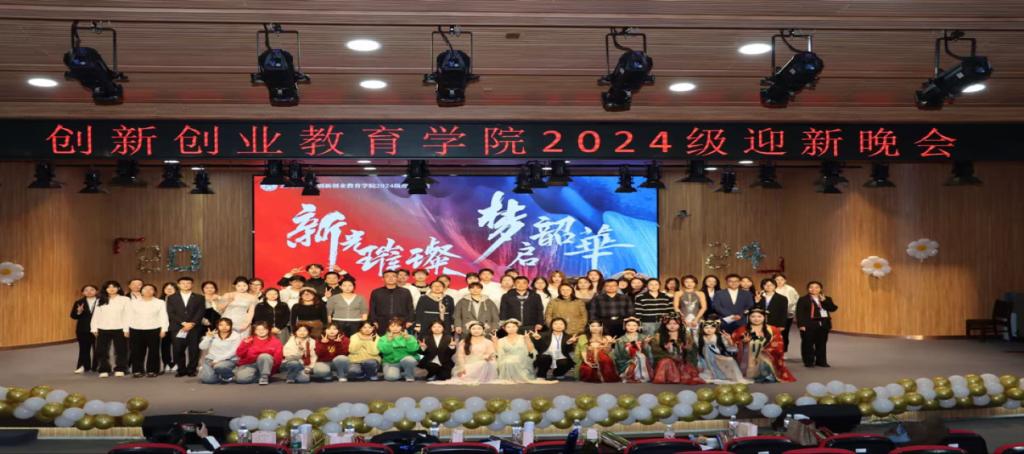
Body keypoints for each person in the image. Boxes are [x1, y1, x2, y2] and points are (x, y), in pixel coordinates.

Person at [731, 308, 795, 383]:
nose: (756, 319)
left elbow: (778, 345)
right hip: (747, 357)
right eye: (753, 316)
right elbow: (734, 345)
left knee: (763, 359)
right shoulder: (741, 330)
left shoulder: (773, 329)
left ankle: (766, 374)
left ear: (765, 317)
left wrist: (765, 351)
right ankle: (749, 373)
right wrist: (743, 343)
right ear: (748, 318)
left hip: (767, 355)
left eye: (759, 316)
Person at [431, 321, 498, 385]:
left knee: (486, 363)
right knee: (463, 375)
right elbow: (460, 356)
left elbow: (491, 354)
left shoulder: (488, 342)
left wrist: (487, 357)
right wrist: (462, 367)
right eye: (473, 329)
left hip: (483, 362)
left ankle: (482, 376)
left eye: (479, 329)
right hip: (468, 363)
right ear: (469, 330)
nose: (476, 331)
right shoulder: (464, 342)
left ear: (483, 330)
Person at [125, 284, 169, 378]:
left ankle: (152, 370)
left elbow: (163, 316)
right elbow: (128, 316)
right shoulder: (133, 302)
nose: (148, 291)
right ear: (141, 291)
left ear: (154, 291)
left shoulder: (160, 302)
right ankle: (137, 370)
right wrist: (126, 329)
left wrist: (163, 329)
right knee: (137, 351)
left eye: (151, 289)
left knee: (154, 351)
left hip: (154, 328)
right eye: (145, 289)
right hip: (136, 328)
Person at [166, 277, 206, 377]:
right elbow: (171, 313)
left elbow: (201, 312)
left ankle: (192, 370)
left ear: (192, 284)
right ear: (178, 285)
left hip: (194, 328)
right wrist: (183, 323)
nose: (186, 285)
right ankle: (181, 370)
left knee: (194, 350)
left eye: (188, 283)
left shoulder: (199, 297)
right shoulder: (172, 297)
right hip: (178, 327)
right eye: (183, 283)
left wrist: (192, 323)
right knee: (178, 349)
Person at [651, 315, 704, 385]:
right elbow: (656, 351)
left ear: (680, 324)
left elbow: (692, 349)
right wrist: (671, 356)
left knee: (686, 368)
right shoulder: (658, 336)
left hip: (682, 359)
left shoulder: (686, 335)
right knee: (666, 362)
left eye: (675, 323)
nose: (672, 326)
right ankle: (670, 377)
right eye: (669, 324)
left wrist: (686, 349)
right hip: (666, 358)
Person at [796, 281, 838, 368]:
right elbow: (799, 313)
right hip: (809, 324)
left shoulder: (826, 298)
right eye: (811, 287)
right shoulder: (803, 299)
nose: (814, 289)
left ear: (820, 289)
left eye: (816, 287)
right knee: (808, 343)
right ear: (808, 289)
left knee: (822, 343)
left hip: (823, 324)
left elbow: (833, 308)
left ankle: (821, 361)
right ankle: (809, 362)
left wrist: (824, 301)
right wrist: (801, 325)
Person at [495, 319, 551, 384]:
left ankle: (520, 376)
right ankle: (509, 378)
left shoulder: (523, 337)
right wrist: (495, 342)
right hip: (507, 358)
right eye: (508, 327)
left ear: (517, 327)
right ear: (504, 328)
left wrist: (527, 341)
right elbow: (500, 353)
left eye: (514, 326)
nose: (511, 329)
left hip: (523, 358)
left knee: (512, 361)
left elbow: (532, 351)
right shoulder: (501, 340)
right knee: (508, 361)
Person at [92, 281, 129, 378]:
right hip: (103, 328)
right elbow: (96, 315)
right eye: (108, 287)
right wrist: (94, 328)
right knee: (101, 350)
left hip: (120, 328)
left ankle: (120, 368)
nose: (111, 289)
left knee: (121, 350)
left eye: (114, 287)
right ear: (105, 289)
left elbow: (127, 315)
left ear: (118, 288)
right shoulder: (100, 300)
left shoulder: (125, 299)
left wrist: (126, 329)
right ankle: (104, 369)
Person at [696, 319, 749, 384]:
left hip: (717, 356)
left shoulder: (719, 337)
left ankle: (725, 375)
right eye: (706, 328)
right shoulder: (700, 338)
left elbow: (730, 348)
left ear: (716, 328)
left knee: (730, 360)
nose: (709, 330)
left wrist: (729, 340)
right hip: (705, 358)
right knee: (705, 372)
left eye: (712, 328)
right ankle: (712, 374)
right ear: (702, 329)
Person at [234, 321, 283, 385]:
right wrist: (245, 344)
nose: (261, 331)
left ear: (268, 330)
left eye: (263, 329)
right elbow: (239, 354)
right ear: (254, 331)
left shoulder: (276, 342)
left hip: (267, 365)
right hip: (250, 364)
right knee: (241, 379)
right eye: (258, 329)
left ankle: (264, 376)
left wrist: (273, 370)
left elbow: (278, 359)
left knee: (264, 356)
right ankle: (259, 377)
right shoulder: (248, 340)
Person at [198, 318, 241, 384]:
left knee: (220, 366)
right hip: (211, 360)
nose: (224, 327)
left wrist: (218, 360)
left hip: (229, 360)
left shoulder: (236, 336)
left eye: (227, 325)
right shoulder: (213, 334)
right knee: (208, 380)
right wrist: (208, 337)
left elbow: (234, 352)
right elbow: (202, 347)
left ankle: (227, 375)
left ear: (231, 326)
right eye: (221, 325)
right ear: (217, 326)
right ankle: (217, 375)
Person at [613, 317, 653, 383]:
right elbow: (618, 354)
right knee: (639, 357)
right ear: (625, 326)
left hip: (643, 360)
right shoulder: (621, 340)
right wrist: (629, 351)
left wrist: (645, 344)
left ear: (638, 327)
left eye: (634, 325)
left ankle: (642, 376)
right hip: (627, 361)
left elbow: (648, 352)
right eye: (628, 325)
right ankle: (636, 376)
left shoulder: (643, 337)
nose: (631, 327)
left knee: (641, 356)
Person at [71, 284, 99, 374]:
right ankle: (83, 366)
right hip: (83, 329)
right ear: (83, 292)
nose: (89, 292)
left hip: (98, 329)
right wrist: (79, 312)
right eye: (86, 290)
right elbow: (73, 316)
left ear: (96, 291)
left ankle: (97, 366)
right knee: (83, 349)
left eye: (92, 290)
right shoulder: (79, 302)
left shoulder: (101, 301)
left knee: (98, 349)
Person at [773, 273, 801, 355]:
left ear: (785, 280)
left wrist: (792, 311)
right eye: (777, 280)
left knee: (784, 333)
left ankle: (784, 351)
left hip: (787, 315)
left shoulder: (790, 289)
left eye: (781, 280)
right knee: (772, 333)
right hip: (772, 315)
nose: (779, 281)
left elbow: (797, 301)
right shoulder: (770, 288)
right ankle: (772, 350)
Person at [159, 282, 178, 373]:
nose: (169, 290)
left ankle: (176, 363)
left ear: (176, 290)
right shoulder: (160, 300)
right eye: (167, 288)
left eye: (171, 288)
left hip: (177, 326)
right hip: (163, 326)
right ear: (164, 290)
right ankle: (167, 363)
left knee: (177, 345)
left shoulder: (180, 300)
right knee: (164, 346)